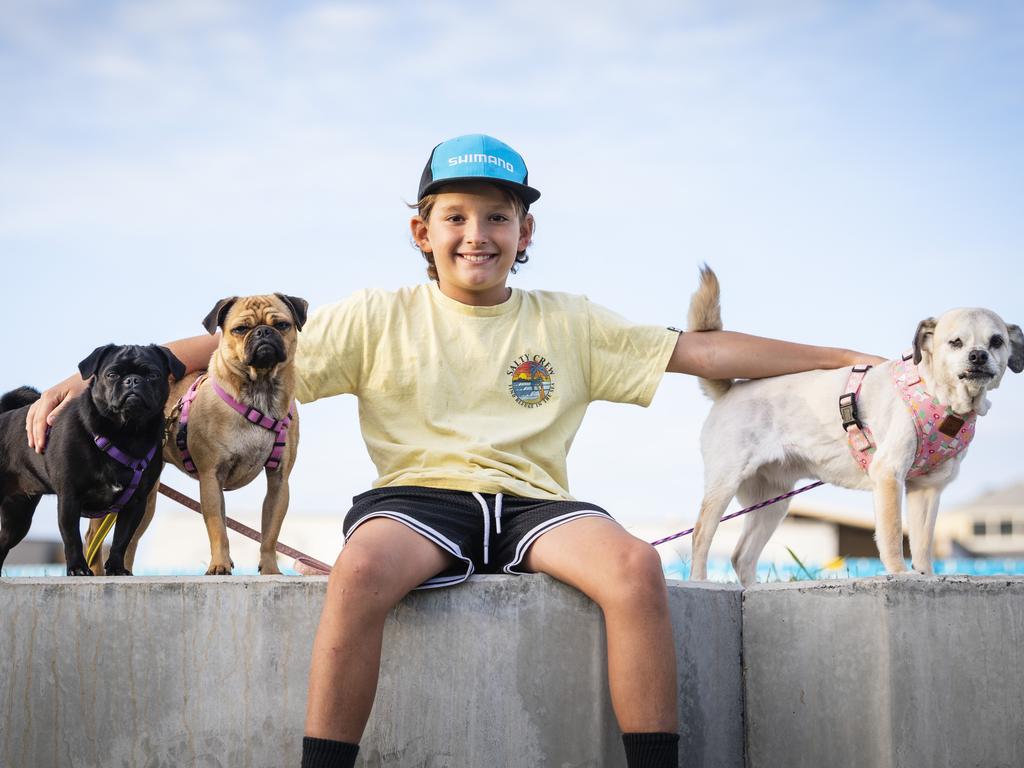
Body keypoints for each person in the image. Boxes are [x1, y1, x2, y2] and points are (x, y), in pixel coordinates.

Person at [27, 134, 884, 768]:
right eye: (457, 216)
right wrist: (81, 374)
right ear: (421, 231)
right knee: (359, 572)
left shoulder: (570, 321)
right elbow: (234, 343)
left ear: (525, 232)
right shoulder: (375, 316)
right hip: (417, 499)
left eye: (498, 217)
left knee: (631, 568)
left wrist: (851, 361)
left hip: (535, 505)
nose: (478, 232)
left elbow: (704, 352)